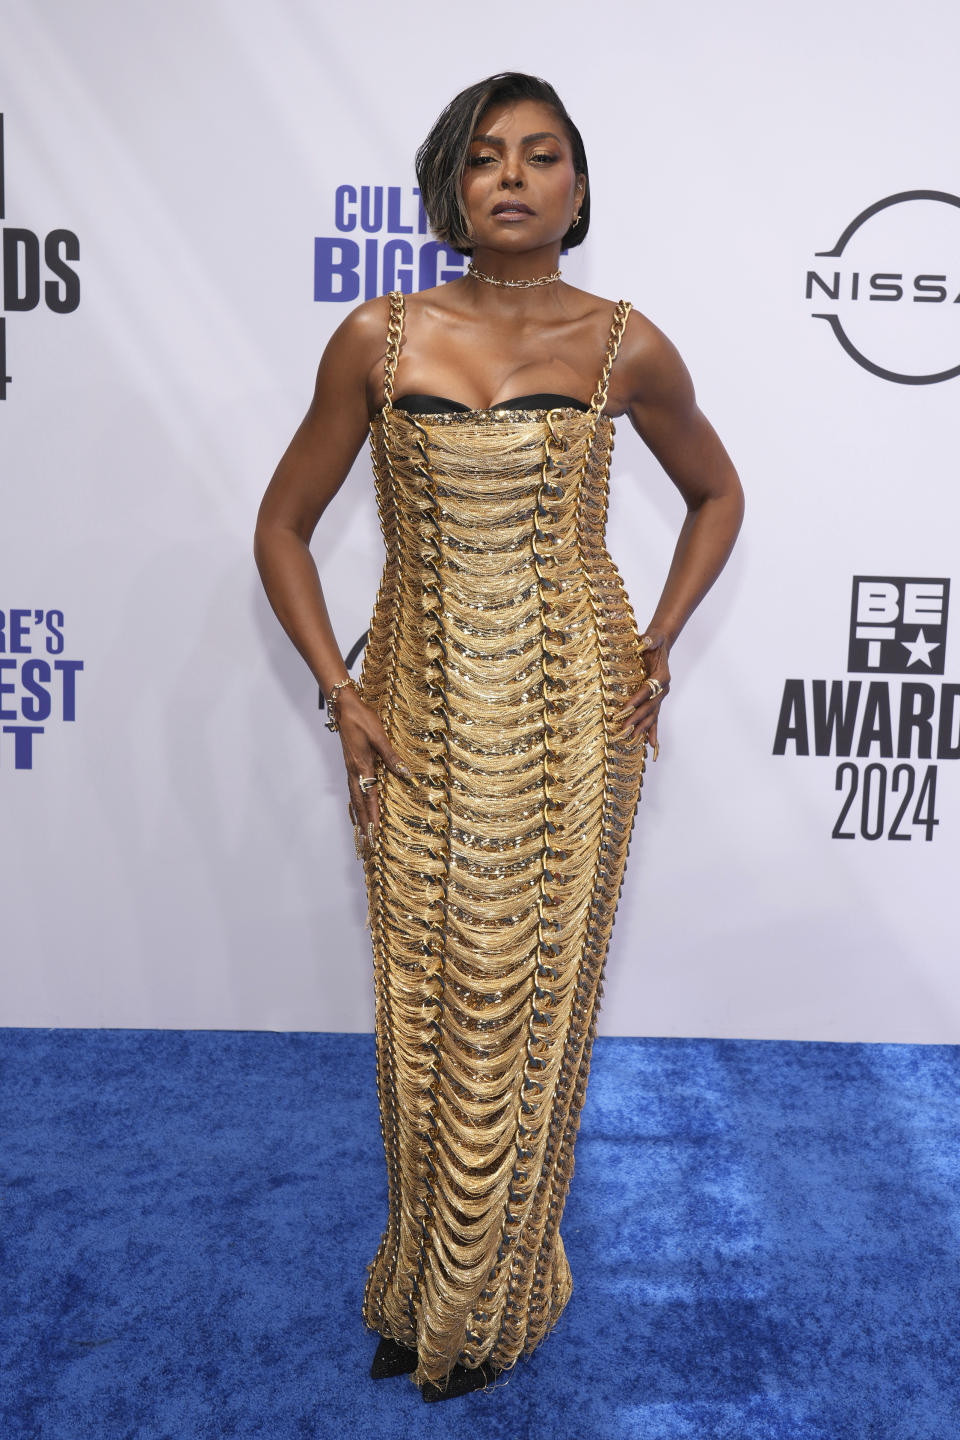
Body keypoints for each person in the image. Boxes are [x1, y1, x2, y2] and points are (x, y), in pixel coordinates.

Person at [254, 72, 744, 1402]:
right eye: (485, 158)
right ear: (449, 187)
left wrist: (658, 644)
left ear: (579, 188)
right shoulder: (377, 336)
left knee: (534, 1004)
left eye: (541, 156)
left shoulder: (623, 344)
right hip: (414, 711)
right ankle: (421, 1284)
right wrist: (339, 693)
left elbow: (715, 492)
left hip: (574, 720)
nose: (514, 178)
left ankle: (502, 1297)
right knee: (427, 1004)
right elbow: (281, 527)